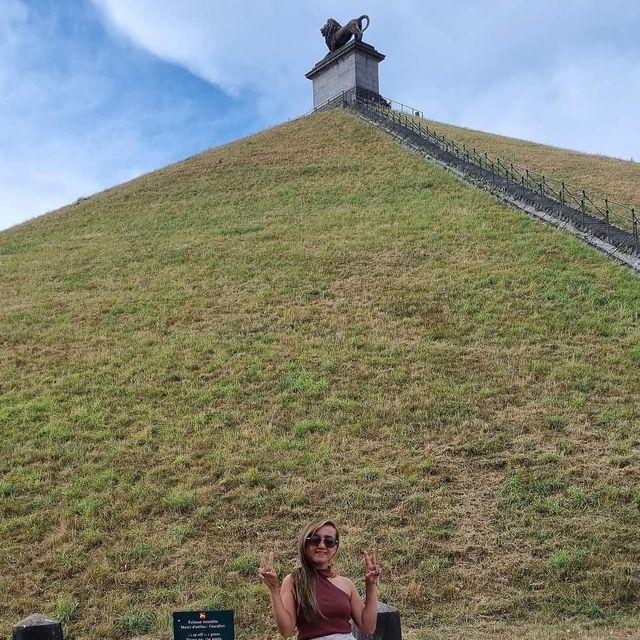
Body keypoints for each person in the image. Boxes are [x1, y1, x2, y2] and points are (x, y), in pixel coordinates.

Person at [258, 518, 381, 640]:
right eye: (315, 540)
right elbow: (286, 631)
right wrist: (273, 589)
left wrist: (371, 585)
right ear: (305, 544)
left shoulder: (346, 584)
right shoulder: (294, 580)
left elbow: (368, 627)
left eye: (329, 541)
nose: (322, 545)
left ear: (335, 548)